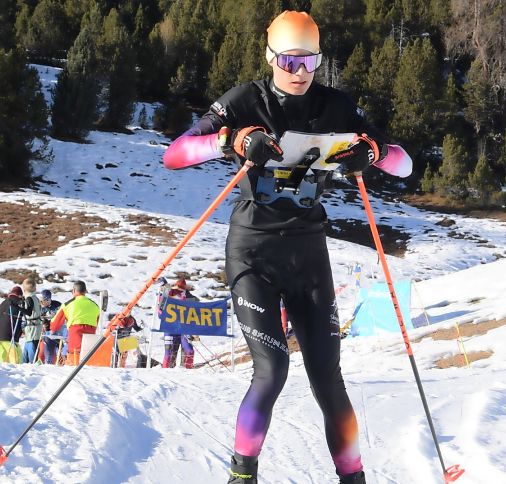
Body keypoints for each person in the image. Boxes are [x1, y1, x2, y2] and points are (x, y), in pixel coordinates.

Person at [162, 11, 411, 484]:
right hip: (253, 253)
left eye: (310, 61)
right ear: (271, 56)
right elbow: (174, 153)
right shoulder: (244, 100)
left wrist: (373, 153)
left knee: (327, 376)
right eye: (290, 61)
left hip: (308, 254)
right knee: (271, 369)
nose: (300, 72)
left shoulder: (337, 105)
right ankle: (242, 475)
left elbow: (404, 163)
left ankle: (353, 477)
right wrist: (230, 139)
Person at [49, 281, 100, 365]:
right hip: (89, 347)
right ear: (85, 291)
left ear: (73, 291)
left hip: (74, 344)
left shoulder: (67, 305)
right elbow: (96, 323)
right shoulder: (95, 306)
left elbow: (54, 325)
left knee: (73, 369)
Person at [161, 278, 196, 369]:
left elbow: (194, 316)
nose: (179, 291)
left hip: (184, 329)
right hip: (170, 328)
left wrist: (195, 332)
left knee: (190, 351)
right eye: (177, 288)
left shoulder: (190, 298)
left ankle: (188, 372)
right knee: (169, 354)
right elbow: (160, 313)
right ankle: (165, 372)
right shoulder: (167, 294)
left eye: (182, 289)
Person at [0, 286, 30, 363]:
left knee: (2, 362)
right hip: (10, 337)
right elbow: (23, 316)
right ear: (19, 295)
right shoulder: (18, 303)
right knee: (15, 362)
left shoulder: (3, 303)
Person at [20, 279, 44, 363]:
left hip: (32, 328)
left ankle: (32, 363)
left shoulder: (29, 298)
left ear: (24, 289)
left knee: (31, 349)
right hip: (35, 327)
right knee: (29, 347)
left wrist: (19, 308)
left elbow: (29, 312)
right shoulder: (35, 298)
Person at [39, 289, 65, 364]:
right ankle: (48, 364)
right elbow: (41, 319)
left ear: (48, 300)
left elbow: (62, 317)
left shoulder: (57, 305)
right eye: (40, 300)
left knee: (62, 351)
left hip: (59, 332)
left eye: (42, 301)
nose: (41, 303)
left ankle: (63, 363)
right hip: (48, 333)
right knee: (48, 353)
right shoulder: (42, 308)